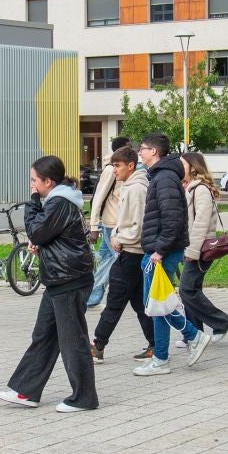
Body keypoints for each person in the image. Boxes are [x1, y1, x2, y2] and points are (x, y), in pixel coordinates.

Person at [0, 156, 97, 412]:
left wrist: (32, 204)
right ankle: (27, 390)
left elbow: (37, 230)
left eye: (34, 181)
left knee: (72, 340)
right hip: (59, 278)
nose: (31, 186)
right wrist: (42, 244)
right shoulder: (57, 201)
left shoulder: (59, 202)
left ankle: (84, 398)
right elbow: (48, 235)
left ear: (48, 182)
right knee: (44, 335)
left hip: (69, 279)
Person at [134, 134, 201, 375]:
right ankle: (161, 356)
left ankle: (191, 336)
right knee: (154, 303)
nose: (139, 153)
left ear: (154, 151)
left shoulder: (163, 178)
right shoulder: (162, 176)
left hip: (161, 251)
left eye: (142, 149)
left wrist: (160, 250)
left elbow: (172, 219)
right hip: (158, 249)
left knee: (155, 303)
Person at [91, 147, 150, 360]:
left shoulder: (137, 189)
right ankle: (155, 344)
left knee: (115, 300)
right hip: (128, 250)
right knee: (138, 302)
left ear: (130, 166)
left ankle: (98, 345)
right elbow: (121, 220)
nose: (114, 170)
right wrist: (115, 233)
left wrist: (119, 238)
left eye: (117, 166)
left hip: (132, 252)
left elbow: (138, 226)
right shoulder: (127, 185)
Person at [177, 152, 228, 344]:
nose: (179, 167)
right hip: (193, 246)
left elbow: (201, 222)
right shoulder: (191, 187)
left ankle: (221, 322)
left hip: (199, 248)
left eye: (182, 164)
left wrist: (192, 251)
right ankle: (194, 335)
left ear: (193, 167)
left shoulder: (200, 189)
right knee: (191, 290)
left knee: (186, 290)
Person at [86, 137, 129, 309]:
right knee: (122, 261)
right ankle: (133, 296)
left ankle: (91, 297)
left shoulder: (122, 169)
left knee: (106, 260)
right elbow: (98, 198)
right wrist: (94, 226)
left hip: (114, 224)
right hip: (111, 225)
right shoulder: (111, 170)